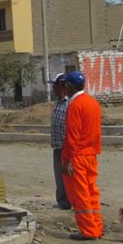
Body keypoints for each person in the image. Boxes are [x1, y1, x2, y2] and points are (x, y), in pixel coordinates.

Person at [60, 71, 104, 240]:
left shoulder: (75, 105)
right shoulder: (93, 103)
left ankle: (88, 231)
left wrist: (68, 160)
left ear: (69, 86)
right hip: (91, 155)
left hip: (77, 156)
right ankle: (96, 227)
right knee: (92, 193)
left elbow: (73, 136)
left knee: (80, 196)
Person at [49, 74, 72, 210]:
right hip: (57, 146)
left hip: (66, 147)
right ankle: (62, 202)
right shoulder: (57, 102)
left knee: (68, 176)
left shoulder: (70, 103)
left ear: (62, 86)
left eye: (55, 86)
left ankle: (71, 201)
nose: (53, 88)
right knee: (59, 176)